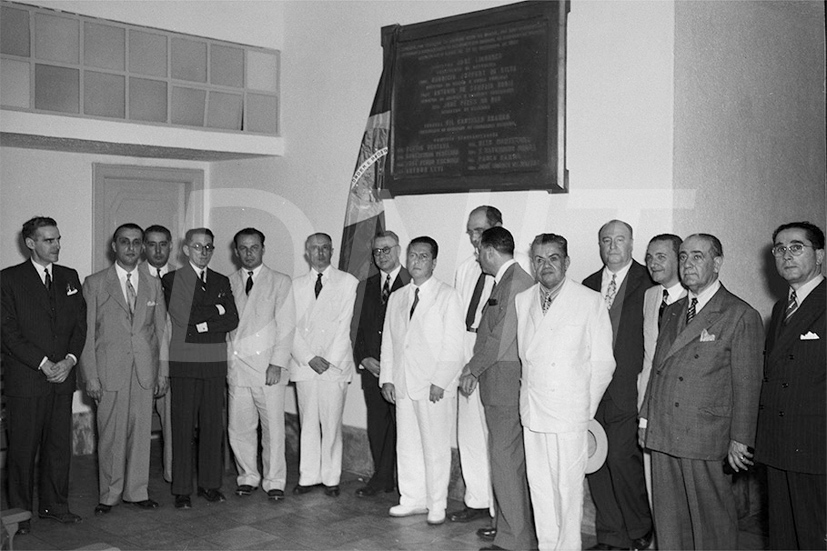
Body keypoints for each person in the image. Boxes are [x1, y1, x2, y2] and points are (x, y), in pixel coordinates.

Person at [640, 233, 763, 549]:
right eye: (682, 256)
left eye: (697, 256)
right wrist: (645, 419)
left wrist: (742, 439)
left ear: (717, 263)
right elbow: (658, 369)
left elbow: (748, 384)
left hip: (705, 435)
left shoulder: (739, 314)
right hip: (665, 429)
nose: (687, 264)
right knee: (669, 522)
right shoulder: (674, 309)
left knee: (711, 523)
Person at [515, 233, 615, 550]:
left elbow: (603, 364)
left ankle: (568, 546)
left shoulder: (589, 301)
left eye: (553, 258)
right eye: (539, 259)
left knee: (567, 489)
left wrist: (583, 411)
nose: (546, 266)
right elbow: (525, 358)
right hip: (533, 408)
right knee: (540, 485)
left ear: (566, 262)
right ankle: (547, 545)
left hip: (570, 411)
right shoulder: (524, 300)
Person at [1, 216, 87, 534]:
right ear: (30, 243)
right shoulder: (8, 280)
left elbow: (80, 324)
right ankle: (19, 516)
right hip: (27, 380)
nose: (56, 245)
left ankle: (55, 506)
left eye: (58, 239)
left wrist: (68, 360)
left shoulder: (69, 276)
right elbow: (7, 332)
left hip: (62, 378)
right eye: (49, 240)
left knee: (58, 447)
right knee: (23, 450)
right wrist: (42, 363)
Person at [451, 206, 529, 539]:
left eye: (479, 247)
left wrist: (473, 368)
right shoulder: (506, 280)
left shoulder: (515, 281)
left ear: (489, 249)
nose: (476, 255)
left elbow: (500, 336)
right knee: (502, 458)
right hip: (495, 378)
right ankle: (506, 530)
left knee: (505, 459)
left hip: (502, 379)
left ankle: (512, 538)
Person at [80, 223, 168, 515]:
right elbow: (86, 334)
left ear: (142, 247)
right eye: (124, 241)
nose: (131, 247)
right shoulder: (95, 283)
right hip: (109, 372)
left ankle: (136, 491)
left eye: (136, 242)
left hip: (144, 370)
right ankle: (109, 494)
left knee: (142, 433)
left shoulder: (153, 283)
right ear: (113, 246)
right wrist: (91, 376)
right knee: (110, 435)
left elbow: (160, 332)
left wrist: (162, 372)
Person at [380, 236, 464, 526]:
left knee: (435, 445)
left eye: (423, 256)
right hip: (404, 383)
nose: (416, 261)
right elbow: (390, 343)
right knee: (407, 445)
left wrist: (440, 381)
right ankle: (412, 498)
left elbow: (454, 346)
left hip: (433, 387)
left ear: (434, 262)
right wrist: (387, 378)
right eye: (413, 256)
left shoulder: (447, 295)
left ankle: (436, 502)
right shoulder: (398, 296)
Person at [582, 219, 654, 550]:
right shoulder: (587, 284)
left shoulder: (648, 282)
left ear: (631, 243)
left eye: (620, 239)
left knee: (623, 460)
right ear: (599, 245)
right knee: (594, 461)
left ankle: (639, 530)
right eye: (606, 240)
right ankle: (611, 536)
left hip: (628, 388)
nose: (613, 246)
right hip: (592, 392)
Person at [755, 221, 825, 550]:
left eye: (796, 247)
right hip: (778, 444)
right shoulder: (780, 308)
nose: (786, 255)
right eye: (779, 249)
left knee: (814, 536)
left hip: (815, 447)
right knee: (783, 536)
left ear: (820, 255)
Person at [163, 228, 239, 509]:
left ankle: (210, 484)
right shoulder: (173, 279)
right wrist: (215, 309)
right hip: (185, 362)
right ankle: (182, 489)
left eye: (208, 247)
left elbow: (232, 318)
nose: (203, 252)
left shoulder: (221, 279)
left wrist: (207, 318)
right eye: (197, 247)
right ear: (185, 249)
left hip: (214, 362)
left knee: (211, 426)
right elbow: (185, 317)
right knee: (182, 427)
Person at [227, 228, 295, 501]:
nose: (249, 253)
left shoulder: (280, 281)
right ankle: (248, 476)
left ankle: (274, 479)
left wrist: (277, 363)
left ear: (263, 249)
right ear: (236, 251)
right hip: (238, 367)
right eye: (243, 248)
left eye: (254, 247)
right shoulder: (228, 282)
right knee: (239, 427)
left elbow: (287, 326)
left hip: (268, 368)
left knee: (273, 428)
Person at [290, 233, 358, 497]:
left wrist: (327, 360)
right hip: (306, 364)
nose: (319, 253)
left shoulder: (348, 282)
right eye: (314, 248)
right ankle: (308, 476)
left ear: (332, 250)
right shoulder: (295, 285)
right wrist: (308, 357)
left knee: (331, 422)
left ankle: (331, 477)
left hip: (334, 363)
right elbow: (290, 326)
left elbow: (346, 325)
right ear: (307, 253)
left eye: (324, 248)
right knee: (308, 421)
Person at [352, 231, 410, 497]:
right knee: (377, 426)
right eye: (376, 251)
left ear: (398, 250)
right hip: (372, 369)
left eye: (386, 250)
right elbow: (356, 328)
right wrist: (363, 357)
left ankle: (406, 482)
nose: (381, 256)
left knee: (404, 427)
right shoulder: (365, 285)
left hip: (402, 371)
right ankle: (382, 477)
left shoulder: (413, 282)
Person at [638, 234, 685, 507]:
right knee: (651, 476)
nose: (653, 263)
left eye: (660, 257)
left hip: (679, 404)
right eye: (649, 257)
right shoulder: (651, 295)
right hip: (648, 399)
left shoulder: (693, 297)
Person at [143, 224, 175, 483]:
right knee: (136, 426)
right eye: (152, 244)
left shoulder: (181, 277)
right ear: (144, 247)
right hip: (141, 365)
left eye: (163, 244)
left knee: (173, 424)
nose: (157, 250)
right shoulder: (133, 277)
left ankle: (173, 475)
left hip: (173, 364)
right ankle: (135, 482)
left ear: (171, 246)